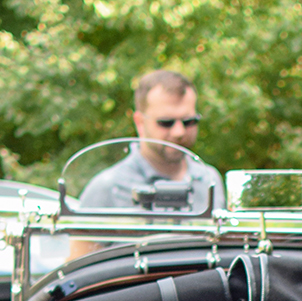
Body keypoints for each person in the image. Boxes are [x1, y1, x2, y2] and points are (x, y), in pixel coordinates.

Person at [66, 71, 224, 260]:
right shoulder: (107, 187)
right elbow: (76, 274)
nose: (179, 131)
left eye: (189, 121)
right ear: (139, 122)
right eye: (166, 122)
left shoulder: (210, 180)